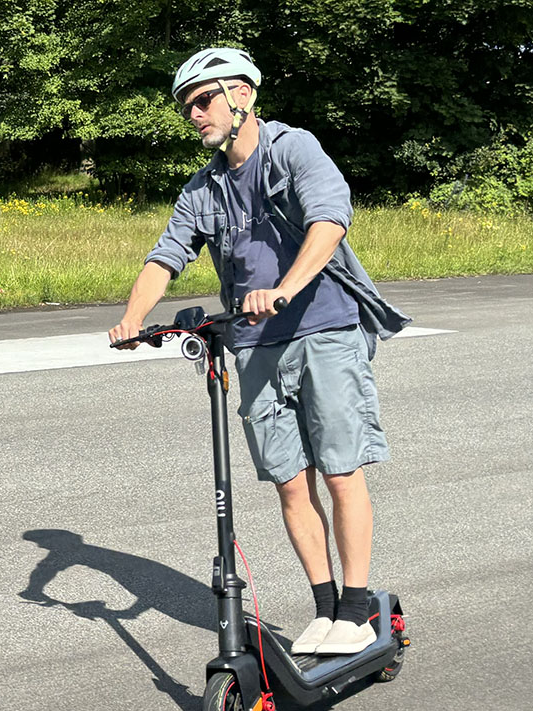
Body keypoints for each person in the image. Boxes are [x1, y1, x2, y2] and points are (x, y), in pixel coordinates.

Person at [109, 47, 411, 656]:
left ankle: (357, 606)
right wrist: (132, 319)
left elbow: (330, 220)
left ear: (241, 95)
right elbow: (166, 255)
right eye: (185, 106)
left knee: (339, 469)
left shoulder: (292, 148)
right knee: (289, 482)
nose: (193, 114)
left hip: (324, 329)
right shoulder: (204, 188)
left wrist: (285, 288)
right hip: (254, 346)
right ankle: (326, 609)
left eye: (203, 100)